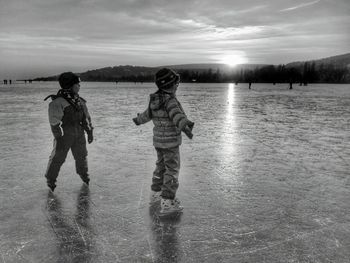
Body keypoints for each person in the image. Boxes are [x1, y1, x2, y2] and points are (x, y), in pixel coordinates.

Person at [133, 68, 194, 215]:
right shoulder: (170, 101)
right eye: (176, 84)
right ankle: (167, 201)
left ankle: (156, 193)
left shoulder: (155, 100)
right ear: (172, 85)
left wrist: (138, 120)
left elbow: (146, 115)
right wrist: (185, 125)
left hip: (159, 142)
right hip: (171, 143)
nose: (177, 86)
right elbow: (176, 116)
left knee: (160, 167)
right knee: (172, 170)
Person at [44, 72, 94, 191]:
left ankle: (84, 175)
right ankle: (50, 179)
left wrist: (90, 131)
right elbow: (55, 123)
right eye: (77, 84)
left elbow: (86, 118)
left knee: (82, 156)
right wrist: (59, 138)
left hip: (79, 135)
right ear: (69, 85)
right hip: (65, 136)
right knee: (58, 158)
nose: (79, 86)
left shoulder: (80, 102)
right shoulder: (58, 103)